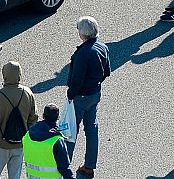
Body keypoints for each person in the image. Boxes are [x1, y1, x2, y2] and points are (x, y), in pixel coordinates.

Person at [65, 16, 110, 177]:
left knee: (70, 131)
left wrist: (70, 95)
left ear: (83, 34)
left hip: (80, 98)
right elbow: (107, 72)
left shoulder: (82, 54)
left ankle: (65, 166)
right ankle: (89, 166)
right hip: (95, 93)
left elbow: (76, 81)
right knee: (92, 129)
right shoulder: (103, 48)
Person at [0, 61, 38, 179]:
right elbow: (33, 119)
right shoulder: (28, 93)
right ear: (19, 75)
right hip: (19, 144)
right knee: (15, 176)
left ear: (4, 75)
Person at [22, 104, 75, 179]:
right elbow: (64, 168)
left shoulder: (27, 135)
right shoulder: (57, 141)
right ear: (58, 118)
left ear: (43, 116)